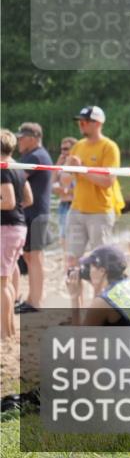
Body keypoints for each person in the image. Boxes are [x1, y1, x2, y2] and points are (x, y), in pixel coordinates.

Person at [64, 106, 124, 312]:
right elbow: (65, 180)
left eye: (84, 122)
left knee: (101, 264)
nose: (80, 125)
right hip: (77, 210)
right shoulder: (78, 146)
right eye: (79, 122)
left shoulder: (109, 147)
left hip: (100, 211)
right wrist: (67, 167)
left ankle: (100, 308)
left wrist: (82, 169)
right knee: (72, 261)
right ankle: (76, 310)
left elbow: (108, 181)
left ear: (97, 123)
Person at [14, 123, 52, 314]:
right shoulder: (32, 155)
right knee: (30, 257)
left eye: (21, 138)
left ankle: (36, 302)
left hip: (36, 213)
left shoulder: (36, 156)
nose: (18, 141)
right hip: (33, 212)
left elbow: (14, 178)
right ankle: (32, 298)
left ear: (33, 138)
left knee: (35, 257)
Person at [1, 129, 33, 339]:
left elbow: (9, 201)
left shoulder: (2, 169)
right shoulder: (18, 167)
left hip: (6, 229)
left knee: (2, 284)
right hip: (18, 227)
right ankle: (9, 328)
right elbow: (28, 199)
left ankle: (4, 332)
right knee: (6, 282)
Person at [54, 137, 78, 249]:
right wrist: (57, 165)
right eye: (62, 149)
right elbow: (51, 182)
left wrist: (68, 191)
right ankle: (66, 257)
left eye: (66, 149)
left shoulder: (78, 166)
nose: (63, 152)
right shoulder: (62, 166)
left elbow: (81, 188)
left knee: (72, 237)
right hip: (63, 204)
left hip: (74, 204)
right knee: (63, 237)